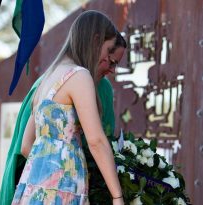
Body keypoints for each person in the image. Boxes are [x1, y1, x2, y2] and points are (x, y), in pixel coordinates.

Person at [10, 10, 125, 204]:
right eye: (109, 56)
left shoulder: (48, 77)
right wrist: (117, 197)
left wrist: (49, 171)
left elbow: (26, 146)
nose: (110, 67)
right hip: (63, 190)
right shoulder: (79, 76)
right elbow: (96, 141)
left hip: (34, 189)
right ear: (96, 40)